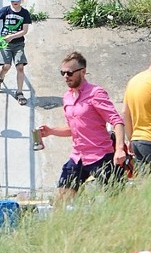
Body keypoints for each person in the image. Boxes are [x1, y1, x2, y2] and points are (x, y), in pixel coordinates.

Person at [39, 51, 126, 200]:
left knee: (117, 201)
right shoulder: (67, 97)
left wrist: (119, 149)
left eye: (70, 72)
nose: (66, 76)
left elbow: (116, 121)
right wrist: (51, 131)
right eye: (63, 73)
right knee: (61, 200)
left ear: (83, 72)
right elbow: (74, 128)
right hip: (78, 156)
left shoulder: (96, 93)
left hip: (101, 156)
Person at [0, 0, 32, 105]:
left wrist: (11, 36)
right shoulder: (5, 10)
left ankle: (19, 92)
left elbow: (24, 31)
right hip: (5, 44)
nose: (14, 2)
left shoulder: (25, 13)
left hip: (18, 44)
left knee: (20, 67)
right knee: (6, 66)